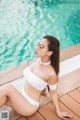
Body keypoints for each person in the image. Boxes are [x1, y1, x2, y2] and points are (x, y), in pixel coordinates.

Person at [0, 35, 73, 119]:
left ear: (49, 53)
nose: (37, 48)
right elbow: (37, 78)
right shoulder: (38, 60)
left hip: (29, 105)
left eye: (41, 47)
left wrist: (58, 111)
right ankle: (3, 118)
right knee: (3, 101)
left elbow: (53, 93)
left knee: (7, 88)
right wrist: (43, 90)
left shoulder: (51, 74)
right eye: (38, 44)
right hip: (21, 95)